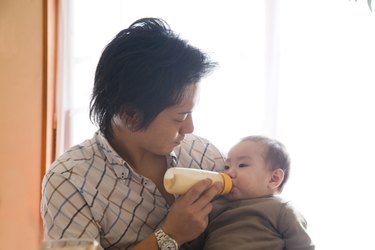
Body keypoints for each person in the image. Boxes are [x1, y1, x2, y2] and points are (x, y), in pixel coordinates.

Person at [40, 17, 226, 250]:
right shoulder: (71, 180)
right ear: (130, 115)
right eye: (180, 117)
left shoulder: (205, 156)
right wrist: (170, 235)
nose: (189, 129)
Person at [184, 135, 315, 250]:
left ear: (274, 178)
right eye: (227, 167)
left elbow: (302, 246)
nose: (228, 173)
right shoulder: (214, 207)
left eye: (242, 165)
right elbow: (193, 244)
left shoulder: (282, 209)